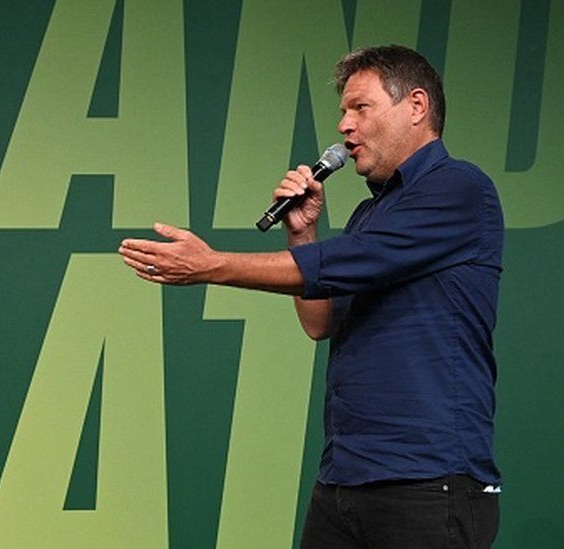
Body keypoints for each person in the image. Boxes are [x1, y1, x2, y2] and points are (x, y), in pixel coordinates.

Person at [118, 45, 502, 548]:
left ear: (416, 106)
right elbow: (320, 322)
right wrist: (302, 233)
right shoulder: (371, 215)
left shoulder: (459, 187)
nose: (344, 126)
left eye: (359, 108)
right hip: (345, 479)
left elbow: (344, 264)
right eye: (343, 111)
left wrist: (212, 265)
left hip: (429, 483)